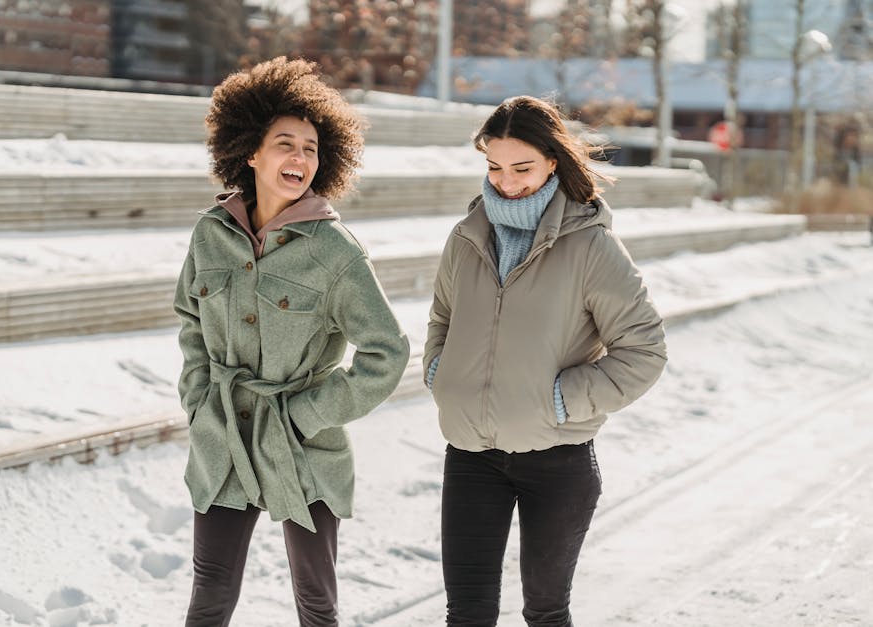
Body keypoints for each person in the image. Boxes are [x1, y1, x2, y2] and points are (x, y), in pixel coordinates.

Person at [174, 56, 410, 627]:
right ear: (250, 152)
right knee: (210, 593)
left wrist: (310, 413)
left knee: (315, 603)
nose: (300, 158)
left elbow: (387, 351)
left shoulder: (336, 252)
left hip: (302, 445)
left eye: (310, 148)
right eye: (286, 144)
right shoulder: (211, 234)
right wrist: (199, 395)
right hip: (224, 435)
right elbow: (190, 319)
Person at [423, 95, 667, 627]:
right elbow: (442, 316)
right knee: (466, 615)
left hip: (557, 460)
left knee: (546, 612)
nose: (506, 182)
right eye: (494, 166)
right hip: (470, 457)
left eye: (522, 168)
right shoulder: (466, 237)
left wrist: (561, 400)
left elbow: (644, 351)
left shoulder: (591, 247)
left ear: (553, 161)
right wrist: (441, 374)